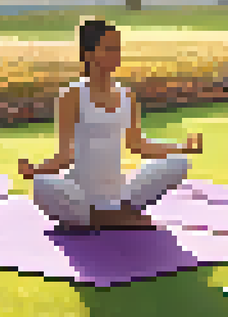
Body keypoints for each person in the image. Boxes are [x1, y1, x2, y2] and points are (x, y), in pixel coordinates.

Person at [19, 19, 202, 231]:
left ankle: (107, 216)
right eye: (109, 49)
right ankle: (111, 217)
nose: (116, 55)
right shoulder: (72, 95)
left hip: (120, 195)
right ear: (89, 54)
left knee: (179, 162)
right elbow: (66, 156)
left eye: (117, 48)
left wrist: (183, 148)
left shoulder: (126, 95)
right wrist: (35, 170)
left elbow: (137, 145)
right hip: (80, 195)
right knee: (42, 184)